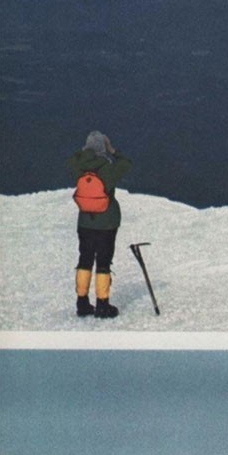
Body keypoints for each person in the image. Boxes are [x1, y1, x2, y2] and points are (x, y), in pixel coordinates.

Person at [67, 131, 132, 318]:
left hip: (85, 221)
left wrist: (85, 151)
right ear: (103, 148)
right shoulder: (108, 168)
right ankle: (103, 305)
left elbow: (70, 160)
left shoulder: (78, 166)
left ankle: (82, 303)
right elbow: (127, 163)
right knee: (103, 261)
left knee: (84, 259)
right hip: (107, 222)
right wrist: (112, 150)